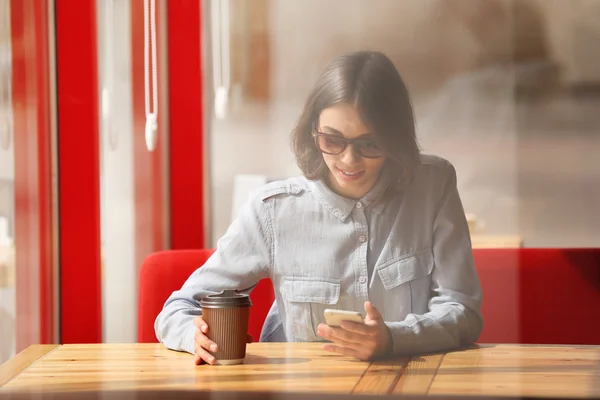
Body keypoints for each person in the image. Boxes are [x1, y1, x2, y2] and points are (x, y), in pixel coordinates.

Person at [155, 50, 483, 365]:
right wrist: (193, 335)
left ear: (395, 138)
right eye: (333, 140)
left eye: (370, 144)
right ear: (314, 133)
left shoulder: (432, 186)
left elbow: (462, 310)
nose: (349, 160)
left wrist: (394, 339)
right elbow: (177, 308)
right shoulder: (273, 210)